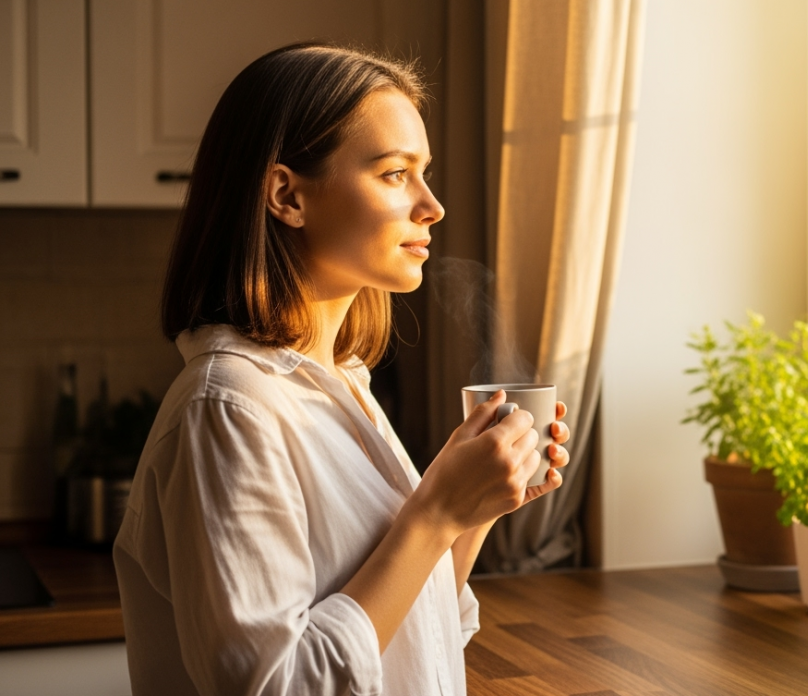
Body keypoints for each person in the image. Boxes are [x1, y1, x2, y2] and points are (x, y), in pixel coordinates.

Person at [111, 43, 569, 696]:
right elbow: (276, 686)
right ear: (287, 196)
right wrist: (435, 510)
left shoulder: (342, 384)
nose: (431, 205)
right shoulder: (230, 407)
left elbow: (411, 625)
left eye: (425, 172)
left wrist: (477, 509)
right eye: (393, 174)